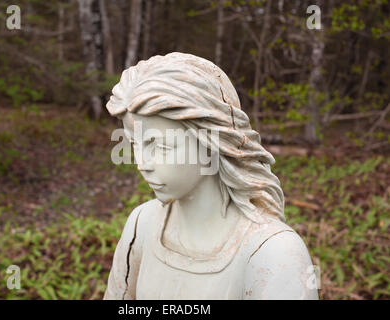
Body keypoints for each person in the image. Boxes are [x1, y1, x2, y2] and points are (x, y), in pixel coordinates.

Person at [103, 52, 318, 300]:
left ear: (210, 143)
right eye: (134, 144)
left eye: (160, 146)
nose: (141, 164)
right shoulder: (142, 223)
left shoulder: (273, 252)